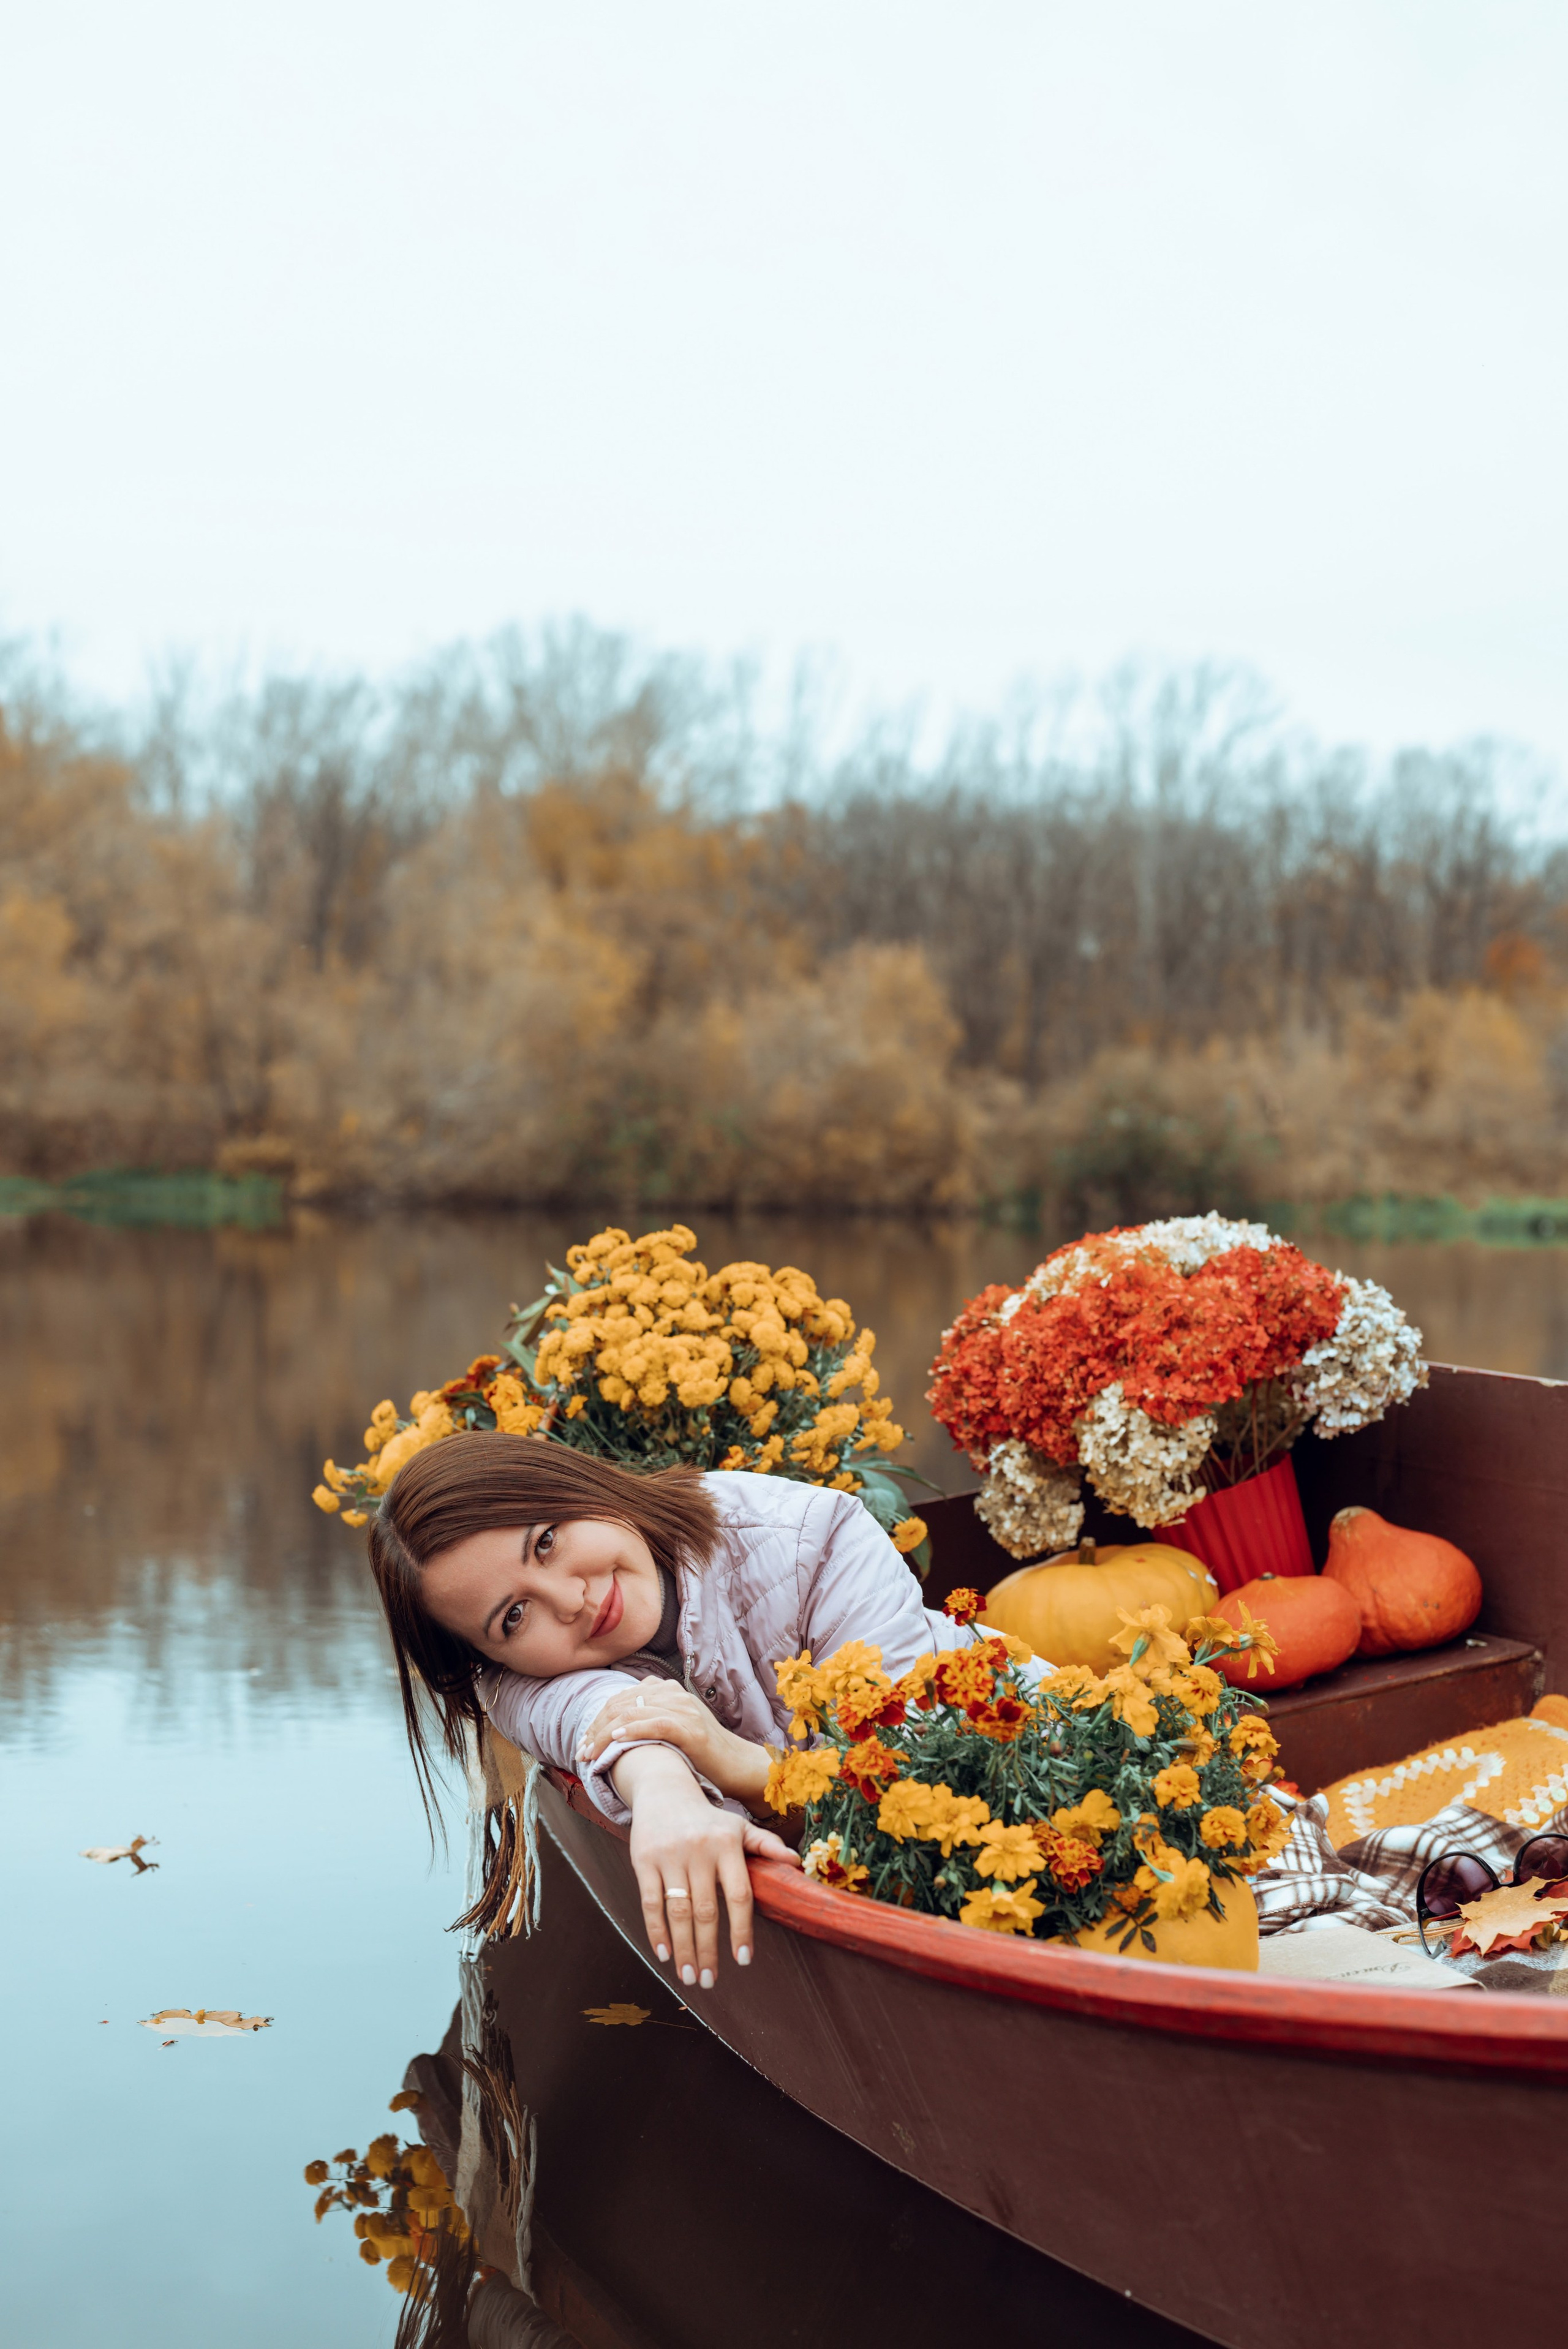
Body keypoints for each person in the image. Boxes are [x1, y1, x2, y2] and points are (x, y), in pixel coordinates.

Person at [368, 1430, 986, 1989]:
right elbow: (589, 1711)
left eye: (547, 1541)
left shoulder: (808, 1536)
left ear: (576, 1481)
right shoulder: (520, 1682)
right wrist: (662, 1787)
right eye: (514, 1615)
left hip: (1031, 1758)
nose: (571, 1600)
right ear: (488, 1658)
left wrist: (738, 1763)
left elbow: (917, 1773)